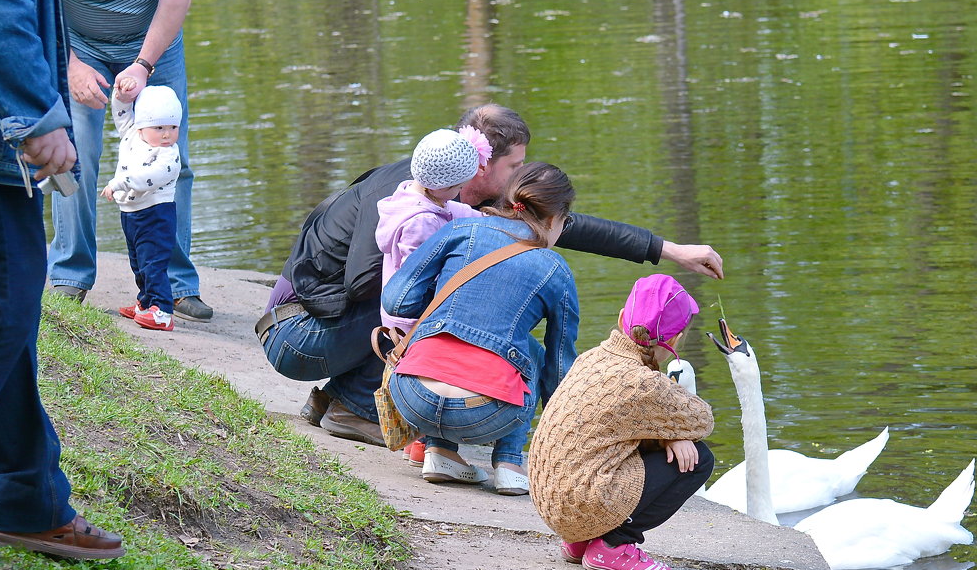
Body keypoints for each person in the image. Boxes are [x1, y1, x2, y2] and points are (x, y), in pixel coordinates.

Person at [257, 104, 724, 447]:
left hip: (329, 327)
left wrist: (669, 250)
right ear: (483, 164)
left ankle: (342, 398)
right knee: (439, 304)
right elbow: (365, 285)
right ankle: (355, 407)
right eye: (516, 166)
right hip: (296, 331)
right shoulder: (405, 198)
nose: (521, 176)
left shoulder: (447, 195)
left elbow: (554, 225)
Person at [0, 0, 124, 561]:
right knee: (5, 300)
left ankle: (23, 494)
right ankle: (21, 492)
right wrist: (33, 113)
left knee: (5, 304)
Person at [45, 0, 212, 322]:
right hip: (78, 44)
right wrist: (69, 62)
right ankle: (69, 276)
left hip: (152, 43)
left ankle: (177, 284)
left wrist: (142, 64)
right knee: (73, 154)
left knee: (170, 159)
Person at [382, 162, 578, 495]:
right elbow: (559, 371)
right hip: (485, 414)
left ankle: (440, 452)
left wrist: (447, 313)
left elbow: (396, 302)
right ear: (552, 219)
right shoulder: (554, 269)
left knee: (448, 339)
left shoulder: (461, 230)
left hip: (411, 397)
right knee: (533, 350)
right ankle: (510, 463)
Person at [528, 274, 715, 570]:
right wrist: (674, 433)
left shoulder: (591, 358)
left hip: (552, 504)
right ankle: (614, 545)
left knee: (622, 444)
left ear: (620, 318)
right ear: (677, 340)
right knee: (699, 458)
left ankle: (582, 541)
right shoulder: (644, 382)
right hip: (582, 505)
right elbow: (701, 418)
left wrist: (667, 433)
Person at [375, 126, 488, 333]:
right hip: (411, 321)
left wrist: (489, 220)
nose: (460, 192)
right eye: (459, 187)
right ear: (440, 187)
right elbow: (418, 275)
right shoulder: (422, 221)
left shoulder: (412, 195)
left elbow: (457, 211)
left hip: (409, 314)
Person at [100, 82, 183, 332]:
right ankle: (145, 303)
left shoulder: (169, 157)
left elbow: (149, 177)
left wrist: (118, 183)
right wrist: (121, 95)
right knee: (137, 262)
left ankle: (163, 311)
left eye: (173, 127)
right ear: (142, 125)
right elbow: (122, 112)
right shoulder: (131, 134)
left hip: (156, 213)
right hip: (131, 213)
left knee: (153, 262)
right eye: (159, 127)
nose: (166, 134)